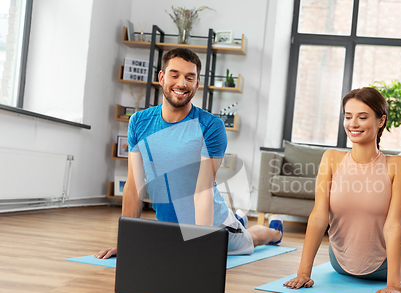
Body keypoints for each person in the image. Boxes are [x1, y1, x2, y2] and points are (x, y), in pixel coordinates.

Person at [95, 48, 282, 259]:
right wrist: (127, 241)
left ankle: (274, 231)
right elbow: (133, 187)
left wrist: (199, 247)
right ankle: (239, 219)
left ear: (197, 83)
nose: (182, 83)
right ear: (161, 77)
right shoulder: (139, 122)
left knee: (251, 239)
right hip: (170, 229)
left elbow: (203, 192)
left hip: (212, 225)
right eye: (174, 75)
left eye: (189, 77)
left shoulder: (210, 126)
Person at [283, 87, 401, 293]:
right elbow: (318, 216)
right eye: (348, 116)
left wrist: (393, 286)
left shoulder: (398, 165)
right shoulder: (331, 159)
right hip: (341, 263)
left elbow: (393, 224)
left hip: (387, 265)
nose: (353, 124)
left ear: (381, 121)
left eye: (362, 117)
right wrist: (303, 273)